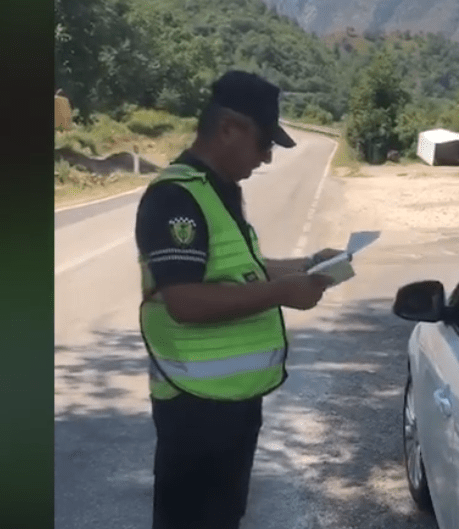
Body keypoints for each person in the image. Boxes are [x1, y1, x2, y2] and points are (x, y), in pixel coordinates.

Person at [134, 70, 345, 529]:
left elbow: (243, 269)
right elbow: (185, 301)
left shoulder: (219, 189)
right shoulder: (176, 197)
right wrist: (283, 292)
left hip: (230, 403)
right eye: (264, 143)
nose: (267, 157)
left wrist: (310, 264)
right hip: (193, 403)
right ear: (228, 129)